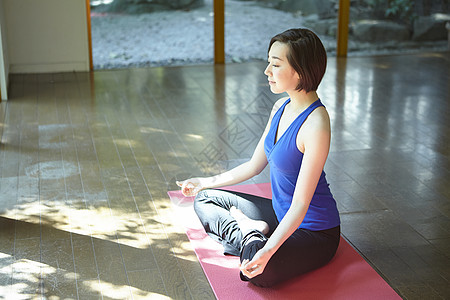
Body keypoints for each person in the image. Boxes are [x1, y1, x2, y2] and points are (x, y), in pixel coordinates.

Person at [177, 28, 340, 288]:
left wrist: (268, 251)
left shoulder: (316, 124)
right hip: (279, 214)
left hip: (314, 231)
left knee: (259, 271)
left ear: (301, 70)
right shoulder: (281, 106)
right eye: (268, 62)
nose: (267, 71)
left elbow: (299, 205)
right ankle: (252, 234)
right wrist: (204, 181)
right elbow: (254, 166)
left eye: (275, 65)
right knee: (205, 199)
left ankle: (250, 233)